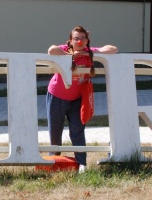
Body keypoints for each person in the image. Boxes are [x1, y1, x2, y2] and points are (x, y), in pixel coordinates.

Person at [46, 26, 117, 172]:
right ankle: (53, 162)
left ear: (87, 40)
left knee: (77, 131)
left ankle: (81, 164)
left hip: (77, 99)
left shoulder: (89, 52)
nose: (79, 41)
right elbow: (51, 50)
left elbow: (113, 49)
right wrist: (71, 55)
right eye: (76, 38)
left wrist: (88, 51)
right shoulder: (65, 49)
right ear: (70, 41)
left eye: (82, 38)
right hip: (56, 96)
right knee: (55, 131)